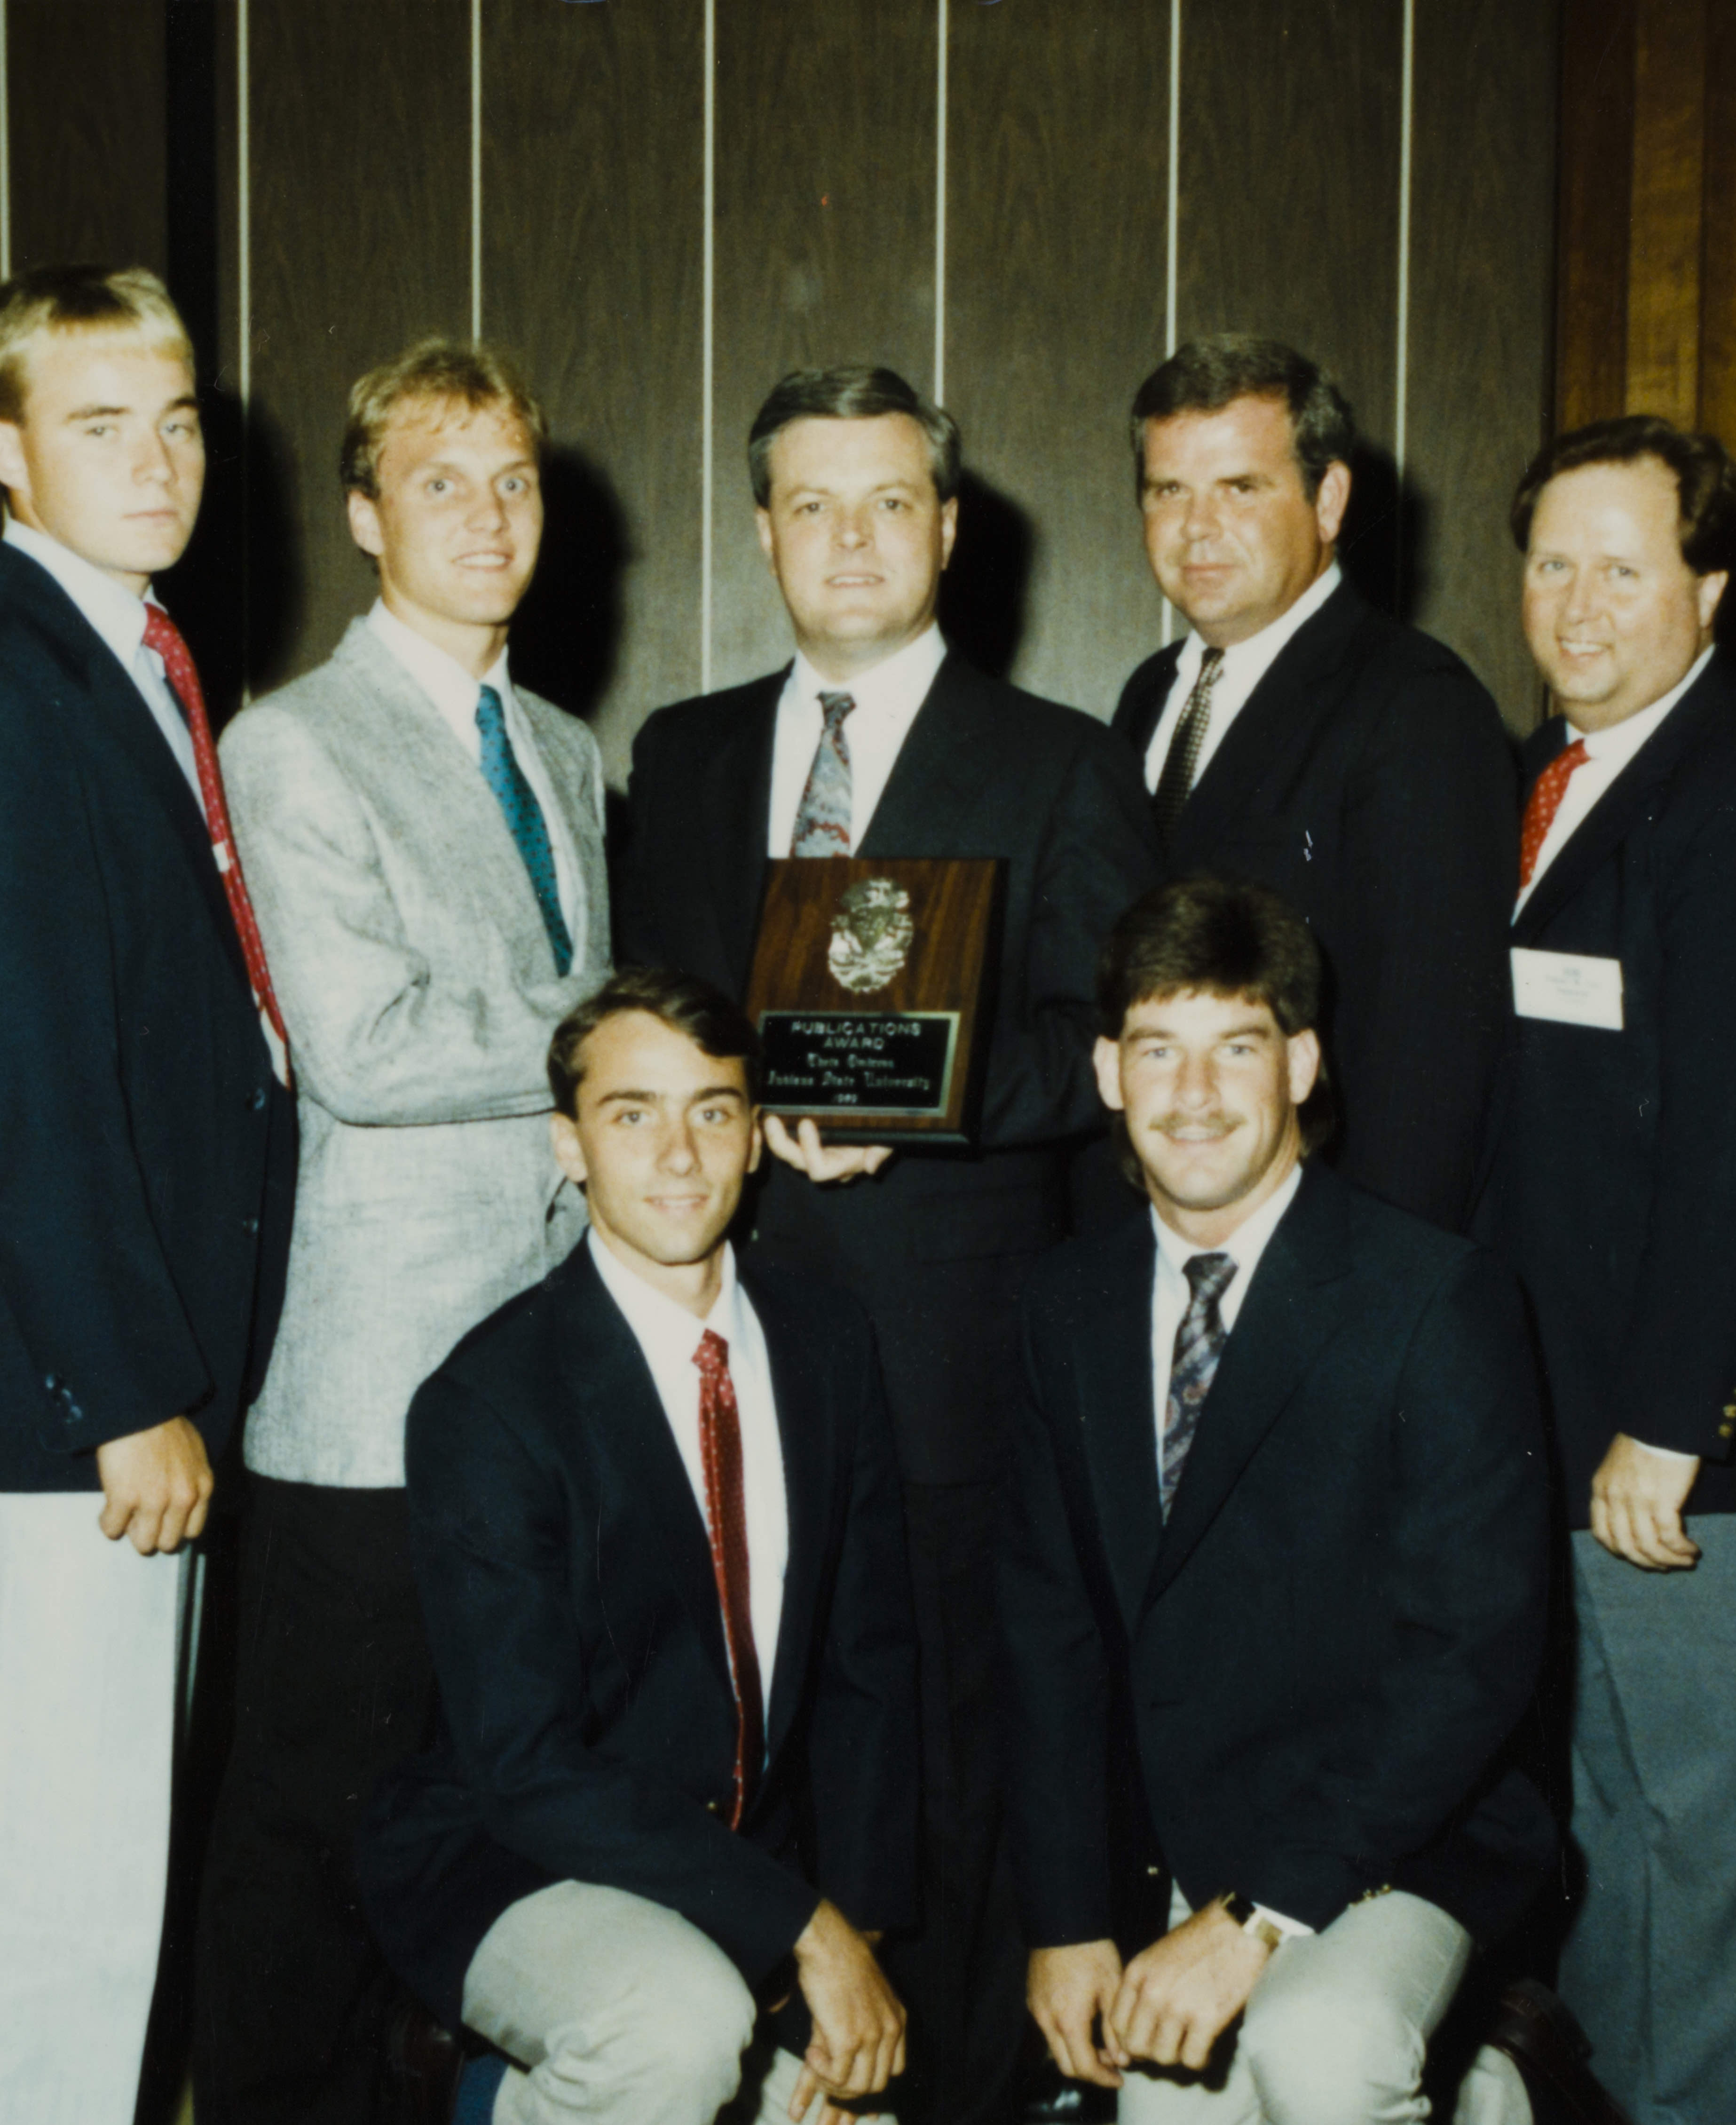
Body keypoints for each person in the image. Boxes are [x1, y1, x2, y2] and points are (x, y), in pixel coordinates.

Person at [619, 365, 1160, 2121]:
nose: (851, 540)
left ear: (948, 526)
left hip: (945, 1354)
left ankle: (964, 2088)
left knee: (947, 1753)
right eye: (812, 506)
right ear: (764, 530)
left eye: (889, 503)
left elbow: (1097, 1037)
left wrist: (912, 1100)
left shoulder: (1063, 760)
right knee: (750, 1731)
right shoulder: (686, 755)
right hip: (725, 1330)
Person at [0, 263, 298, 2123]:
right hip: (72, 1424)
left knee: (99, 1895)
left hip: (127, 1397)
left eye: (178, 417)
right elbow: (15, 1097)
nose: (156, 458)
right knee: (42, 1919)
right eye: (99, 423)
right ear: (1, 450)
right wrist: (128, 1390)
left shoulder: (116, 654)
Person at [198, 337, 612, 2121]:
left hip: (538, 1371)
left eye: (514, 478)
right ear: (368, 515)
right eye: (440, 481)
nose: (488, 515)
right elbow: (362, 1051)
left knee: (472, 1813)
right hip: (366, 1394)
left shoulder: (569, 748)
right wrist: (628, 1036)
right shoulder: (288, 743)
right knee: (307, 1841)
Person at [1002, 876, 1555, 2125]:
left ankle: (1463, 2070)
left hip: (1399, 1834)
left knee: (1319, 2045)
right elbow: (1048, 1632)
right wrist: (1070, 1916)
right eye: (1158, 1049)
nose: (1192, 1096)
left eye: (1234, 1047)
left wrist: (1257, 1915)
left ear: (1300, 1063)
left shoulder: (1433, 1296)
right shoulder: (1065, 1304)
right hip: (1179, 1841)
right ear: (1106, 1071)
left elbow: (1470, 1657)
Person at [357, 969, 920, 2125]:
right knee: (673, 2025)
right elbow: (525, 1767)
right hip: (512, 1857)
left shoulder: (823, 1341)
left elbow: (869, 1663)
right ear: (568, 1145)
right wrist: (796, 1930)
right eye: (632, 1115)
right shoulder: (489, 1400)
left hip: (739, 1868)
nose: (678, 1155)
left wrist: (850, 1940)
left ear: (757, 1139)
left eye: (711, 1111)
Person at [1470, 416, 1736, 2124]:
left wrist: (1672, 1417)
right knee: (1603, 1821)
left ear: (1711, 587)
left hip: (1668, 1445)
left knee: (1697, 1837)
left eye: (1624, 563)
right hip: (1565, 1408)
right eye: (1550, 562)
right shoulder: (1554, 775)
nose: (1578, 601)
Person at [1113, 335, 1517, 1232]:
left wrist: (1362, 1308)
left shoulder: (1416, 707)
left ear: (1327, 499)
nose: (1197, 526)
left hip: (1319, 1259)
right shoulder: (1149, 696)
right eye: (1168, 490)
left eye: (1240, 488)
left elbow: (1436, 1067)